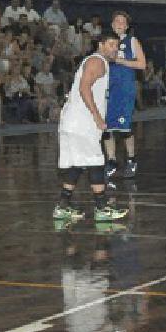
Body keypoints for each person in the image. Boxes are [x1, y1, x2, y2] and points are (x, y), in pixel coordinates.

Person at [55, 31, 128, 223]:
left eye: (117, 46)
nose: (114, 49)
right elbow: (84, 87)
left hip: (72, 121)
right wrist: (96, 116)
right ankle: (102, 207)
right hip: (82, 122)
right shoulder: (97, 61)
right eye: (111, 45)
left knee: (78, 164)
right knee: (96, 162)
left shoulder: (96, 61)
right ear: (101, 45)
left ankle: (62, 206)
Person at [103, 11, 146, 179]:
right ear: (112, 24)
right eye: (116, 21)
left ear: (126, 26)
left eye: (123, 22)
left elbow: (142, 64)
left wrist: (120, 61)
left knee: (124, 127)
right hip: (109, 88)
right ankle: (111, 160)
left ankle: (131, 159)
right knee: (106, 127)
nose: (119, 24)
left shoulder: (132, 41)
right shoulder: (106, 42)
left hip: (125, 89)